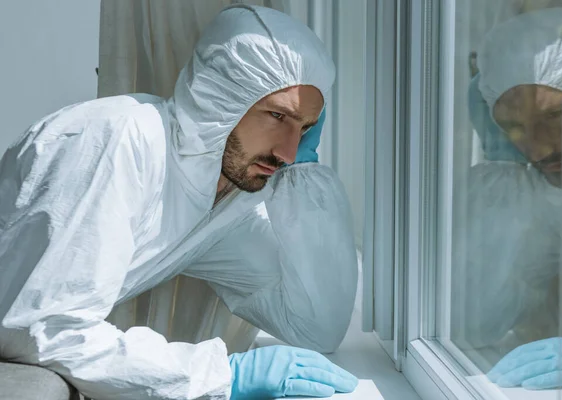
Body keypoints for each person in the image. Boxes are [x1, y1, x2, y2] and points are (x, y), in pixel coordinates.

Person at [0, 5, 359, 400]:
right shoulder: (120, 140)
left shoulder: (221, 204)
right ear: (224, 96)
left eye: (304, 128)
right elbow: (41, 328)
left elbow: (314, 325)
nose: (289, 151)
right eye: (277, 116)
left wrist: (303, 176)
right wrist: (221, 375)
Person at [462, 7, 562, 390]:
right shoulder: (547, 196)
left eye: (555, 115)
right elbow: (475, 321)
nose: (537, 148)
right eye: (513, 127)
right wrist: (501, 176)